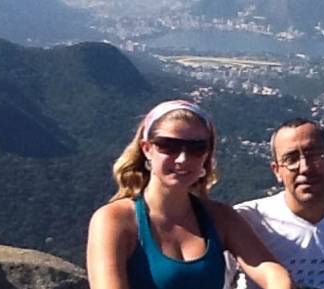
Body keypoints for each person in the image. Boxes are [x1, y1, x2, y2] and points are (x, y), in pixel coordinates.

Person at [86, 100, 292, 289]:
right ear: (147, 149)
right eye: (169, 146)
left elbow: (271, 273)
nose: (183, 159)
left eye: (197, 148)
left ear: (207, 155)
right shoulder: (115, 221)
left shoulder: (221, 218)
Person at [232, 118, 324, 289]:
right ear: (277, 171)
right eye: (291, 159)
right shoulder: (247, 219)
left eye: (314, 155)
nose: (305, 167)